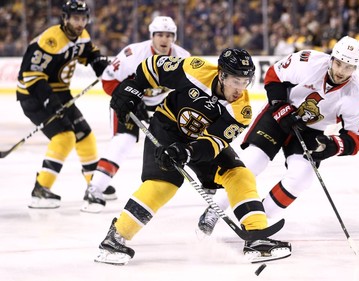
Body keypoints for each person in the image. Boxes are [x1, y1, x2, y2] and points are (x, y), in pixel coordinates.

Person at [93, 48, 292, 266]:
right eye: (236, 81)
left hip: (200, 142)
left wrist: (186, 152)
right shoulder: (194, 69)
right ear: (222, 75)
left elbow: (212, 143)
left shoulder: (241, 110)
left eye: (246, 81)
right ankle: (115, 238)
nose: (240, 88)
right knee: (164, 184)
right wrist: (134, 87)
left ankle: (257, 238)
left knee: (239, 174)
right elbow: (153, 67)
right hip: (166, 128)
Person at [197, 36, 359, 235]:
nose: (341, 71)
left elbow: (356, 138)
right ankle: (215, 210)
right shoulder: (308, 61)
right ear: (332, 58)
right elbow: (274, 75)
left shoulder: (356, 96)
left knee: (301, 179)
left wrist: (330, 146)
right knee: (253, 162)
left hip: (311, 132)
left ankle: (258, 219)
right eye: (339, 63)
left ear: (355, 68)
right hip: (280, 116)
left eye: (348, 67)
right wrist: (281, 106)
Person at [81, 16, 190, 213]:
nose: (164, 39)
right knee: (123, 141)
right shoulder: (133, 54)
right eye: (159, 35)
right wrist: (129, 99)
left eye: (168, 35)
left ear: (174, 37)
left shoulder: (183, 57)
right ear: (152, 36)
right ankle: (94, 189)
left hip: (161, 107)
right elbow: (108, 80)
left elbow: (189, 89)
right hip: (129, 104)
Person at [16, 0, 109, 209]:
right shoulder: (50, 40)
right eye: (75, 18)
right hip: (33, 96)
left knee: (84, 134)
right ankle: (41, 189)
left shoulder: (82, 35)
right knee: (64, 137)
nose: (80, 23)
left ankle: (94, 185)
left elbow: (90, 53)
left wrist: (100, 65)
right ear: (65, 18)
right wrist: (50, 102)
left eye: (83, 18)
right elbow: (31, 76)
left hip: (59, 92)